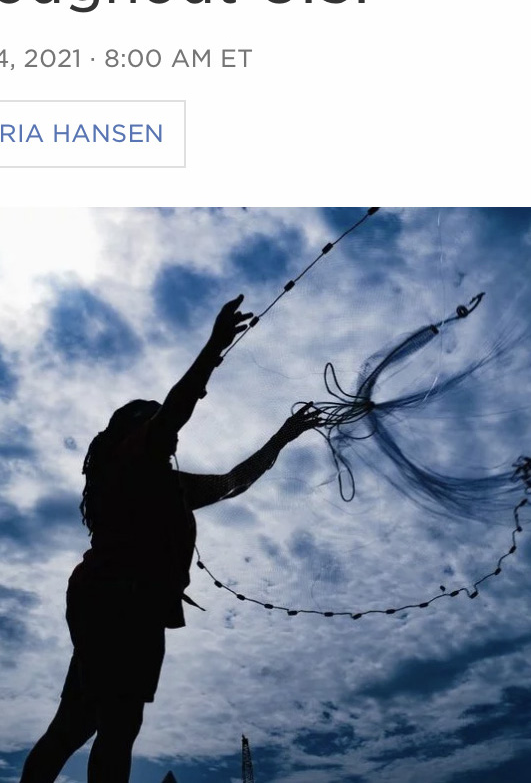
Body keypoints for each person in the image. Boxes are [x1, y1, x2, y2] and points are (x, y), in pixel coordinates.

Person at [20, 295, 321, 783]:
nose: (167, 427)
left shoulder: (165, 482)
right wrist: (214, 347)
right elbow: (177, 411)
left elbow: (232, 482)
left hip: (121, 602)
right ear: (132, 431)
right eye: (152, 418)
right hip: (120, 600)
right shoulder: (128, 463)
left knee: (80, 722)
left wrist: (282, 438)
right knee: (116, 723)